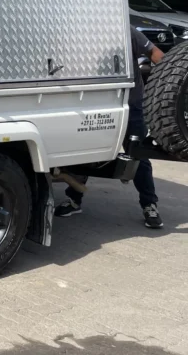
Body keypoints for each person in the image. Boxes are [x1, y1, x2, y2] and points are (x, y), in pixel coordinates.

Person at [54, 26, 164, 229]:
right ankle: (74, 200)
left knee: (138, 155)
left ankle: (149, 205)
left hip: (131, 105)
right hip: (99, 104)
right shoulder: (83, 32)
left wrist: (169, 82)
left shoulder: (127, 30)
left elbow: (155, 54)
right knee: (87, 153)